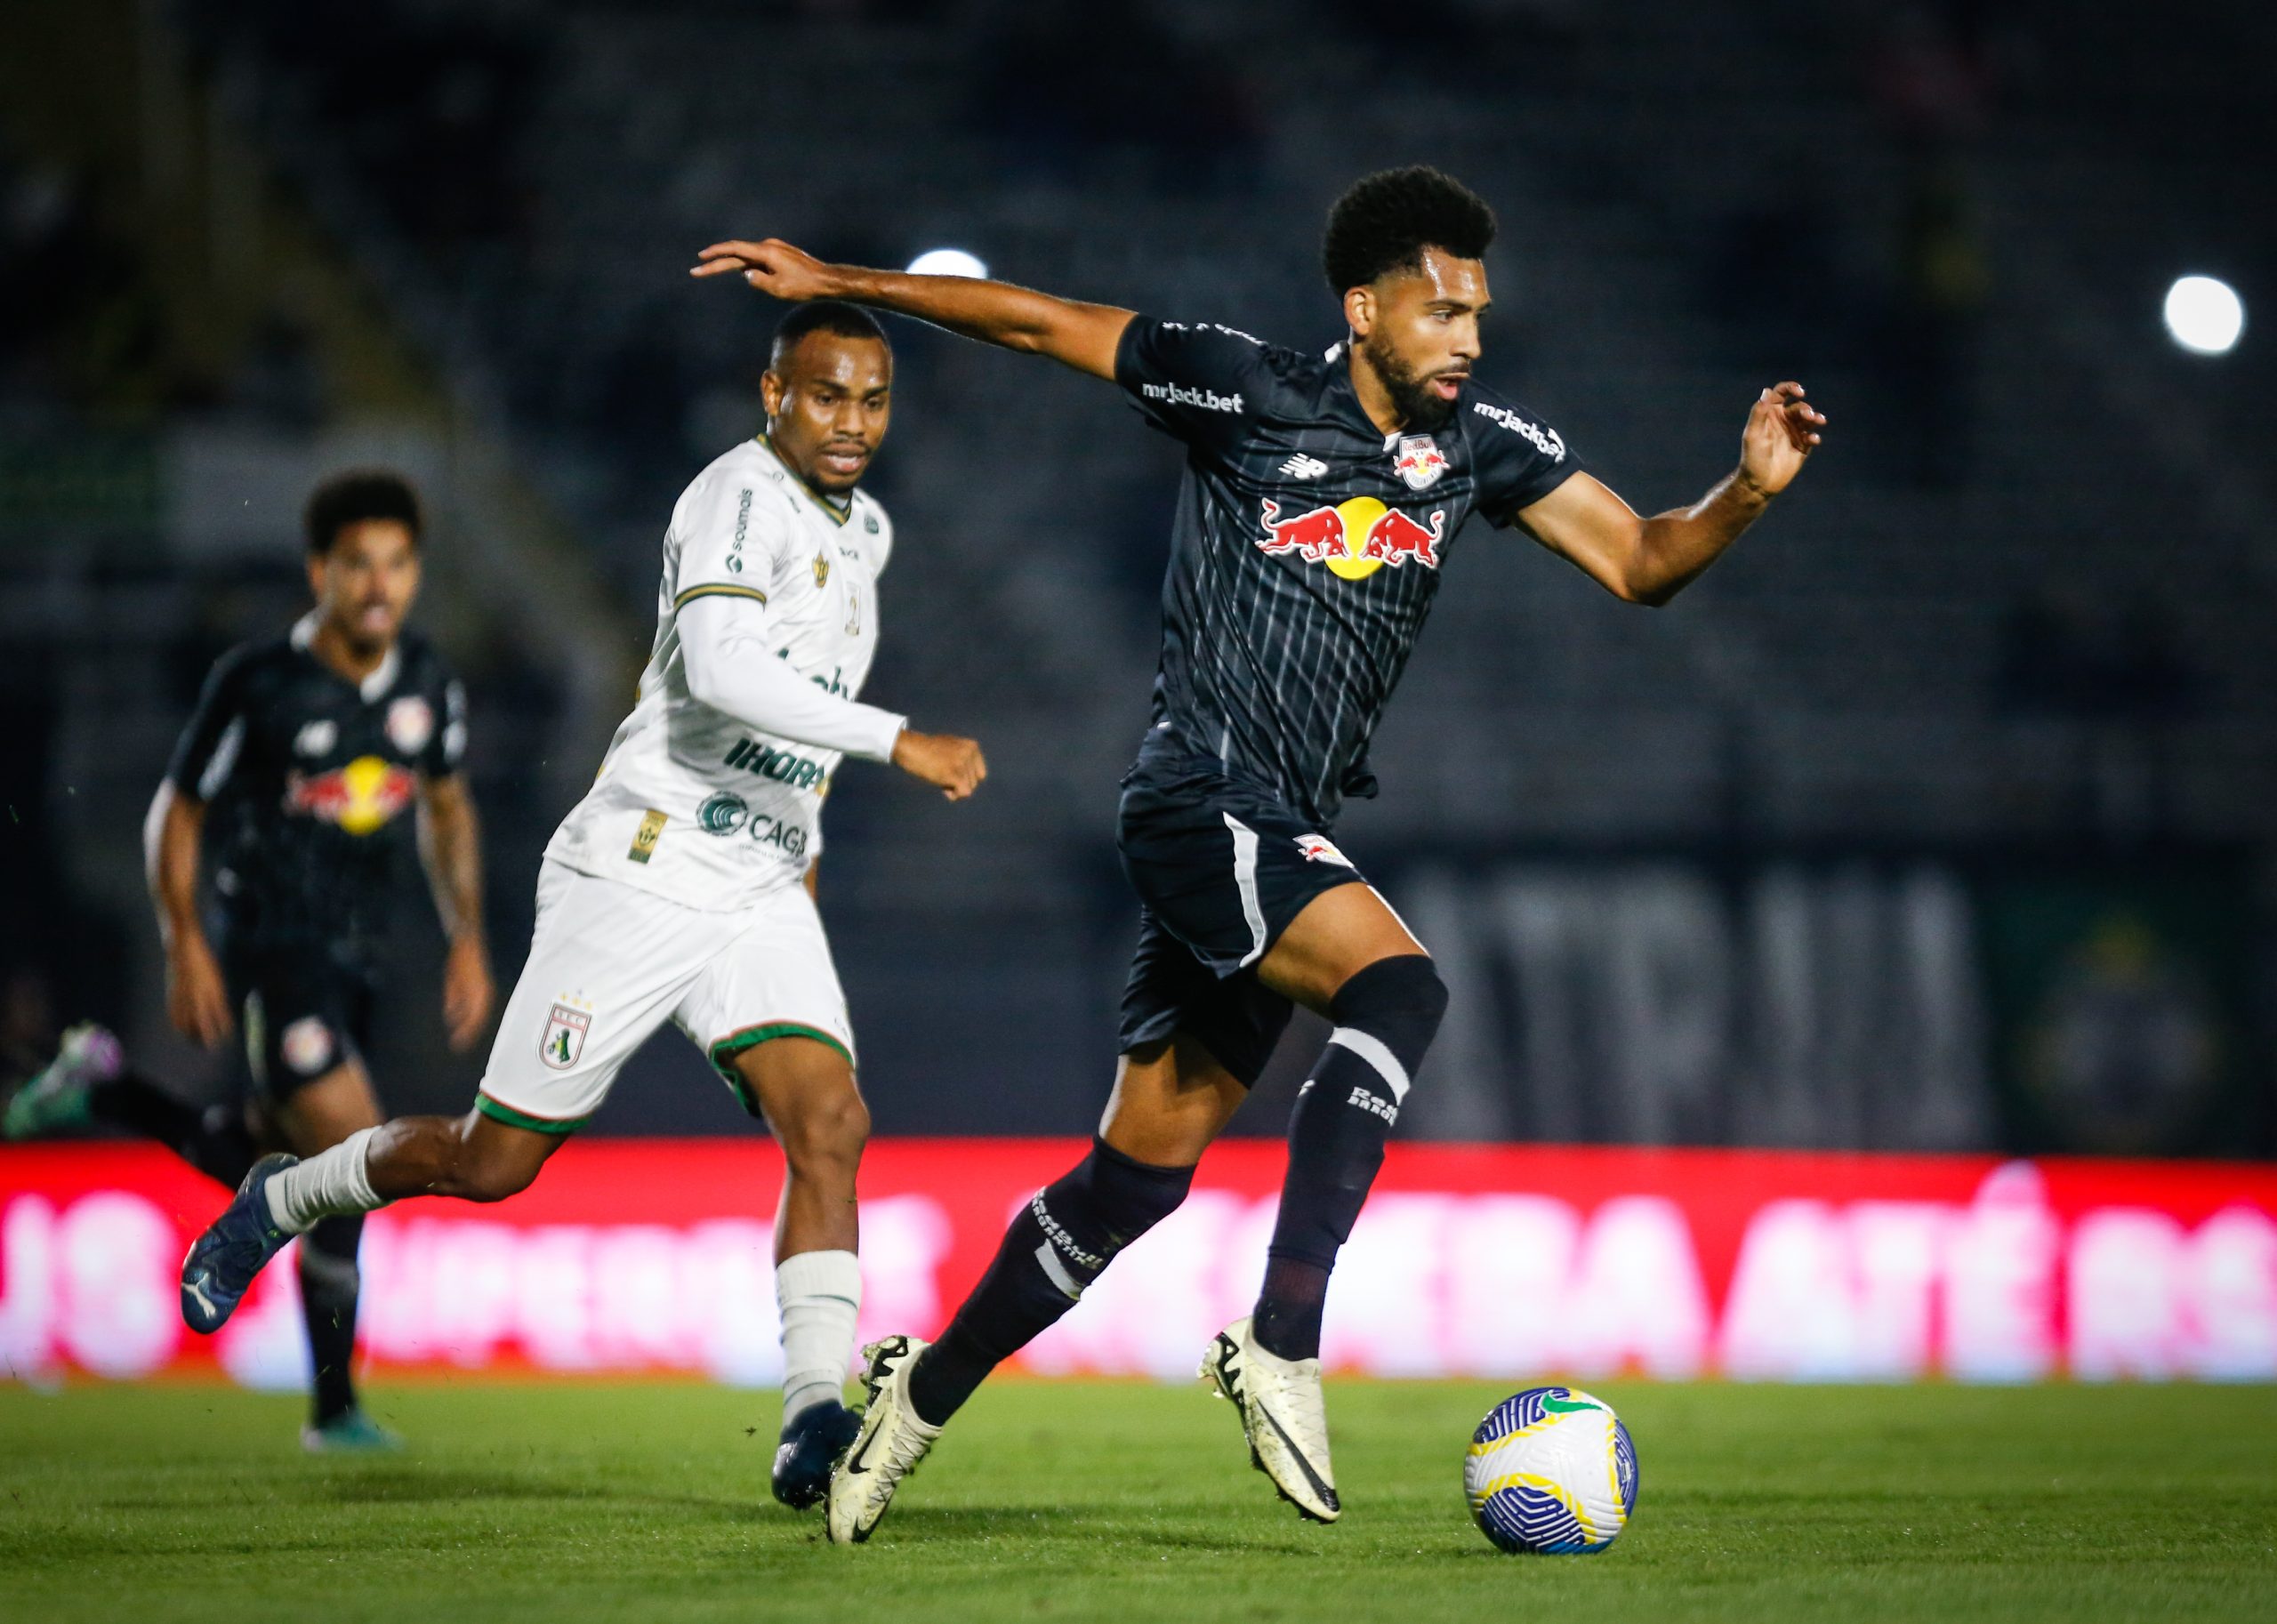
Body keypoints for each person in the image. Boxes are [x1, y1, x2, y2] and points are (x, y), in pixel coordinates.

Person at [690, 165, 1827, 1541]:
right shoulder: (1244, 389)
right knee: (1401, 988)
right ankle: (1282, 1331)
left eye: (1481, 311)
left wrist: (1747, 493)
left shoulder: (1480, 448)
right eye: (1443, 309)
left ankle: (911, 1405)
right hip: (1197, 800)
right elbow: (1045, 323)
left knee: (1130, 1181)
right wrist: (849, 284)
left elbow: (1646, 560)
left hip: (1277, 826)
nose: (1470, 336)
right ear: (1364, 308)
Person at [173, 302, 989, 1510]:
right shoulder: (734, 495)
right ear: (774, 396)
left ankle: (814, 1412)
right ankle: (284, 1195)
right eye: (827, 395)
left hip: (759, 879)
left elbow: (789, 721)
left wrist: (802, 849)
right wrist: (897, 739)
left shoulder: (864, 532)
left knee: (831, 1121)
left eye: (871, 400)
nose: (851, 422)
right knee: (492, 1160)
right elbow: (718, 670)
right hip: (642, 866)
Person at [5, 469, 494, 1452]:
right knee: (358, 1151)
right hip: (273, 946)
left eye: (396, 563)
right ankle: (334, 1411)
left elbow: (446, 805)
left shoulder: (428, 681)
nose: (377, 584)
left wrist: (468, 932)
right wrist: (184, 936)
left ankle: (109, 1089)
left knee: (295, 1167)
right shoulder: (259, 683)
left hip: (362, 952)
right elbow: (176, 810)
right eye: (357, 562)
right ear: (320, 569)